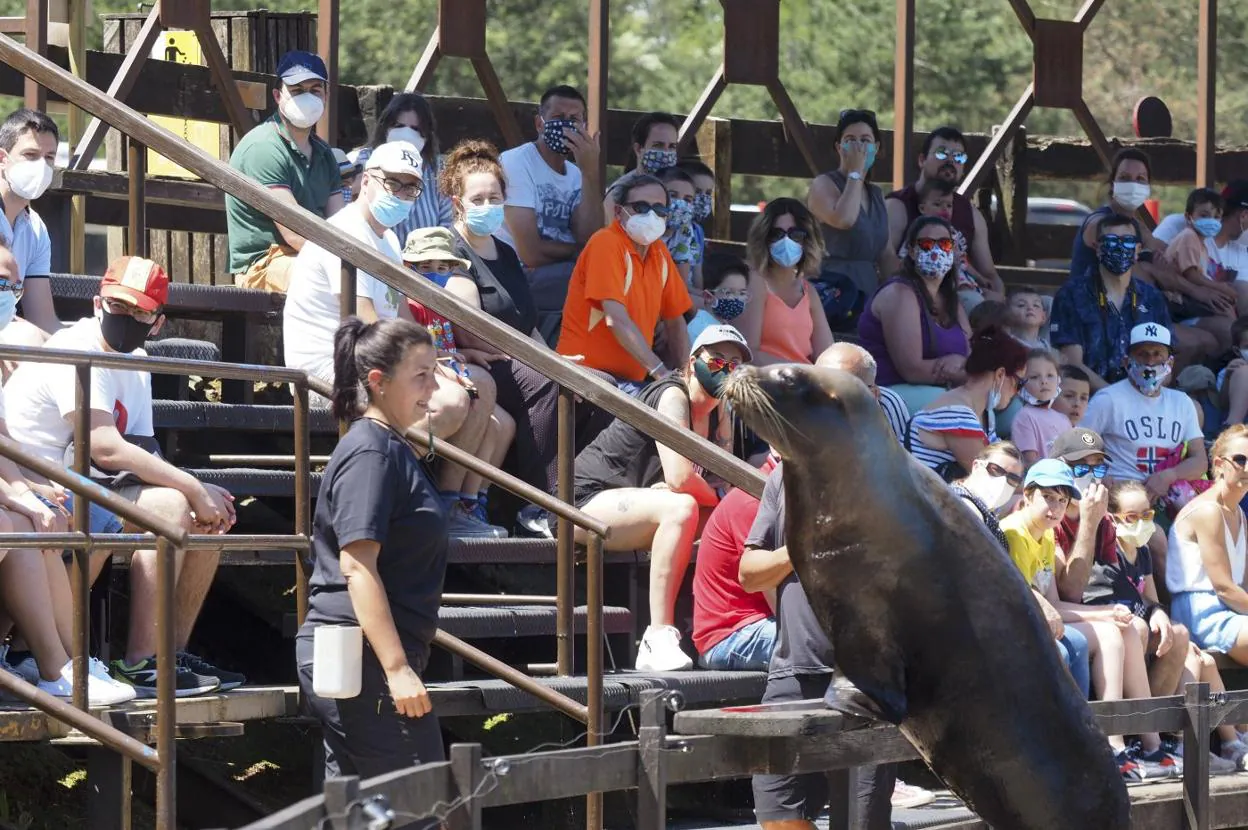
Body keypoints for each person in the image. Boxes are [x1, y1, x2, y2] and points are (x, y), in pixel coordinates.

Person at [4, 256, 242, 697]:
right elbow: (105, 447)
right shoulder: (77, 348)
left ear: (157, 322)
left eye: (141, 311)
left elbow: (141, 446)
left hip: (80, 486)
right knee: (167, 504)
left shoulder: (137, 357)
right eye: (119, 305)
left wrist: (202, 493)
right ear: (98, 303)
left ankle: (165, 655)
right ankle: (128, 661)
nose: (128, 317)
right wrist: (189, 485)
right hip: (36, 483)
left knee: (206, 514)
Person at [296, 317, 446, 800]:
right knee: (423, 806)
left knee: (360, 812)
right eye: (421, 375)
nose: (434, 386)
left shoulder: (388, 447)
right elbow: (357, 566)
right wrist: (397, 669)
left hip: (367, 658)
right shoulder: (371, 454)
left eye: (435, 372)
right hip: (364, 659)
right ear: (378, 383)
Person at [439, 139, 613, 536]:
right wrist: (541, 362)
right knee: (550, 385)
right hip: (481, 359)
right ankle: (540, 503)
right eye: (477, 198)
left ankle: (583, 490)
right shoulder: (451, 248)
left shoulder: (505, 250)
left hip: (522, 356)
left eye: (494, 197)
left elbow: (526, 320)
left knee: (601, 388)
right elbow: (470, 325)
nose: (487, 205)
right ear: (457, 202)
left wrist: (549, 356)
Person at [571, 324, 749, 671]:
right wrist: (713, 495)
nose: (725, 369)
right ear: (693, 361)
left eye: (734, 364)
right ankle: (658, 636)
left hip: (637, 507)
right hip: (583, 503)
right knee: (682, 506)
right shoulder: (672, 395)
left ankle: (734, 623)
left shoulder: (718, 412)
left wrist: (724, 424)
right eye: (717, 359)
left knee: (726, 517)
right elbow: (681, 479)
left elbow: (724, 480)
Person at [739, 462, 897, 829]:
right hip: (792, 669)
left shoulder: (887, 478)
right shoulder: (784, 478)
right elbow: (748, 573)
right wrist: (801, 548)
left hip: (866, 682)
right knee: (777, 815)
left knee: (863, 820)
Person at [1001, 459, 1179, 780]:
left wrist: (1105, 613)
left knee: (1117, 630)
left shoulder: (1045, 536)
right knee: (1107, 636)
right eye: (1048, 497)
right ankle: (1108, 743)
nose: (1055, 508)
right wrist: (1100, 613)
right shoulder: (1016, 532)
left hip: (1049, 623)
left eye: (1062, 500)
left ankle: (1142, 743)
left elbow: (1054, 604)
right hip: (1019, 628)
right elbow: (1021, 597)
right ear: (1027, 496)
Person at [1099, 480, 1247, 772]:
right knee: (1184, 647)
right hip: (1125, 648)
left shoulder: (1142, 552)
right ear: (1113, 517)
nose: (1142, 522)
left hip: (1148, 648)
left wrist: (1159, 615)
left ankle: (1229, 743)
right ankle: (1170, 740)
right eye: (1132, 516)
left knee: (1199, 657)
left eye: (1147, 515)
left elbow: (1154, 603)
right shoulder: (1108, 554)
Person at [951, 442, 1091, 698]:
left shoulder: (987, 511)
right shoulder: (962, 504)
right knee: (1056, 653)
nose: (1004, 481)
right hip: (970, 622)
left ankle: (1084, 726)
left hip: (999, 615)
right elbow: (985, 577)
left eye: (1013, 477)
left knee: (1078, 642)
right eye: (996, 470)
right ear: (977, 466)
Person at [400, 228, 514, 539]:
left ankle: (471, 502)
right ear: (408, 267)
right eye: (425, 267)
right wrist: (441, 362)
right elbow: (414, 347)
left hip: (449, 368)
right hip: (426, 379)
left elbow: (443, 345)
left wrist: (467, 352)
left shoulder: (442, 302)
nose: (434, 274)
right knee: (484, 395)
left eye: (442, 268)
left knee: (503, 425)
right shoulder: (407, 302)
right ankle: (450, 502)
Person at [1067, 149, 1220, 363]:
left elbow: (1167, 256)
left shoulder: (1137, 226)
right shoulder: (1100, 223)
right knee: (1196, 343)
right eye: (1125, 178)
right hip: (1103, 315)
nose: (1133, 185)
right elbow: (1136, 272)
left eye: (1140, 179)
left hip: (1140, 311)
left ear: (1148, 187)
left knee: (1218, 335)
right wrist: (1165, 277)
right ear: (1112, 183)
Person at [556, 173, 692, 393]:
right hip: (587, 377)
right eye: (641, 207)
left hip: (631, 384)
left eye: (660, 210)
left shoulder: (660, 253)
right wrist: (661, 373)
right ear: (619, 212)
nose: (651, 215)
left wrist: (686, 375)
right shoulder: (605, 242)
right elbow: (616, 319)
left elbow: (676, 322)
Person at [227, 50, 342, 292]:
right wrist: (344, 265)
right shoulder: (264, 147)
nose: (307, 97)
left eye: (315, 90)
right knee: (330, 281)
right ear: (278, 96)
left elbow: (338, 225)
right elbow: (295, 234)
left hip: (310, 257)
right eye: (298, 90)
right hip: (264, 265)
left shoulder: (324, 154)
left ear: (326, 95)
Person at [498, 85, 603, 333]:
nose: (566, 125)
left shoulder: (577, 174)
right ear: (539, 124)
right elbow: (530, 253)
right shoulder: (516, 162)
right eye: (557, 118)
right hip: (519, 276)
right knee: (602, 283)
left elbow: (592, 237)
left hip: (561, 273)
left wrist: (590, 173)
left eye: (574, 120)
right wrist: (579, 251)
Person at [1080, 323, 1208, 502]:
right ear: (1126, 361)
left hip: (1169, 497)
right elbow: (1078, 447)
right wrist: (1099, 475)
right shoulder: (1108, 399)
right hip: (1121, 497)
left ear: (1170, 362)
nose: (1150, 362)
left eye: (1157, 354)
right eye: (1142, 354)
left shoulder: (1182, 402)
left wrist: (1169, 475)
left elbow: (1200, 460)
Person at [1050, 213, 1175, 391]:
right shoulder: (1071, 295)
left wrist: (1145, 393)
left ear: (1138, 249)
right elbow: (1072, 363)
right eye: (1111, 241)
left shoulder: (1152, 298)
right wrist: (1115, 398)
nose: (1120, 247)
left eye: (1128, 241)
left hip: (1144, 395)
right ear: (1097, 247)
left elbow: (1167, 364)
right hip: (1092, 400)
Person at [858, 216, 971, 413]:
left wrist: (965, 369)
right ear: (911, 251)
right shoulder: (900, 293)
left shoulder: (952, 300)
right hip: (891, 393)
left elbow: (971, 356)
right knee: (960, 408)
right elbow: (912, 369)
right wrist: (960, 373)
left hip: (945, 389)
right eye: (926, 244)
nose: (936, 251)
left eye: (944, 244)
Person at [885, 126, 1004, 297]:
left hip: (961, 295)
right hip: (911, 295)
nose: (950, 161)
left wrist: (999, 299)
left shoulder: (972, 214)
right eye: (942, 153)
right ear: (922, 160)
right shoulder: (897, 205)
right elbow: (886, 263)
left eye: (958, 157)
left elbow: (989, 274)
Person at [806, 109, 895, 327]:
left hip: (868, 293)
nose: (858, 148)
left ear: (877, 148)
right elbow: (844, 219)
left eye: (865, 141)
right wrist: (856, 172)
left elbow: (886, 253)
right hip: (834, 293)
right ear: (838, 147)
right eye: (850, 141)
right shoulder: (824, 184)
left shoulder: (876, 194)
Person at [1168, 424, 1248, 666]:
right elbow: (1223, 587)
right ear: (1219, 464)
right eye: (1240, 459)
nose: (1247, 467)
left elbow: (1242, 583)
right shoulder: (1209, 510)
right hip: (1200, 613)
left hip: (1231, 610)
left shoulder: (1239, 514)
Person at [905, 325, 1026, 479]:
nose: (1017, 393)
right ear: (1000, 374)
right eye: (1019, 384)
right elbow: (990, 479)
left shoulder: (985, 414)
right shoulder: (956, 414)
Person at [692, 465, 776, 671]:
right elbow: (768, 584)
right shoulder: (753, 497)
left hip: (762, 620)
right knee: (824, 642)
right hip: (728, 636)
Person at [740, 198, 834, 365]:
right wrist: (802, 372)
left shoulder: (808, 291)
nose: (786, 241)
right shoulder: (755, 283)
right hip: (767, 382)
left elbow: (827, 354)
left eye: (795, 234)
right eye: (776, 234)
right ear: (764, 238)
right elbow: (748, 353)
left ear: (807, 240)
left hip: (808, 383)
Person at [0, 107, 60, 339]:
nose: (41, 166)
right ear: (3, 159)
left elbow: (43, 319)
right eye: (31, 155)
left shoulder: (36, 229)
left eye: (49, 158)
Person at [369, 92, 454, 241]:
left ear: (427, 134)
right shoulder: (364, 161)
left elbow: (449, 222)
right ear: (385, 127)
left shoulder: (439, 169)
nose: (406, 133)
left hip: (428, 260)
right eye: (399, 126)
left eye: (415, 129)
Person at [1160, 187, 1236, 352]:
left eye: (1217, 217)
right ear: (1188, 217)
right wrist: (1219, 287)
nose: (1211, 221)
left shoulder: (1200, 243)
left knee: (1227, 305)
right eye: (1204, 215)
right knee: (1224, 307)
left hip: (1186, 299)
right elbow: (1191, 275)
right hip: (1177, 301)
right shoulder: (1189, 237)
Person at [817, 341, 910, 444]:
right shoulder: (804, 408)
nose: (831, 397)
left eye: (846, 391)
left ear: (874, 394)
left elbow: (901, 455)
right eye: (821, 386)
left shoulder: (887, 404)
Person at [601, 112, 682, 217]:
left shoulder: (678, 189)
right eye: (658, 145)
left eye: (672, 146)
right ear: (638, 149)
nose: (666, 153)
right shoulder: (619, 192)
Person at [1012, 349, 1071, 465]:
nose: (1044, 381)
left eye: (1050, 375)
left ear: (1058, 379)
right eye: (1034, 377)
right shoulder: (1025, 416)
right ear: (1021, 383)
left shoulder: (1064, 419)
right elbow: (1029, 461)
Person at [687, 251, 751, 343]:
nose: (736, 299)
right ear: (708, 296)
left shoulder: (724, 328)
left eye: (742, 293)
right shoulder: (702, 332)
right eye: (728, 293)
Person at [678, 158, 717, 289]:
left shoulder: (697, 230)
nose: (703, 198)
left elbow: (697, 273)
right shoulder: (670, 231)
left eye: (708, 193)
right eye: (698, 192)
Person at [657, 166, 698, 285]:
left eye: (687, 199)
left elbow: (681, 284)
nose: (681, 203)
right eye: (673, 195)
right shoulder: (644, 229)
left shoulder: (685, 229)